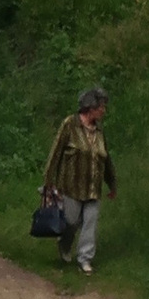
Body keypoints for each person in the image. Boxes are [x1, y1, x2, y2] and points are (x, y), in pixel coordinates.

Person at [40, 87, 117, 277]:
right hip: (71, 186)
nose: (104, 111)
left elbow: (106, 159)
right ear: (90, 108)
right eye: (101, 107)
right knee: (71, 221)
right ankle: (64, 245)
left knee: (90, 222)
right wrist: (49, 181)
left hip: (93, 188)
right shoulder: (70, 124)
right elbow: (55, 153)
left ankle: (85, 259)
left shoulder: (99, 132)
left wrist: (112, 183)